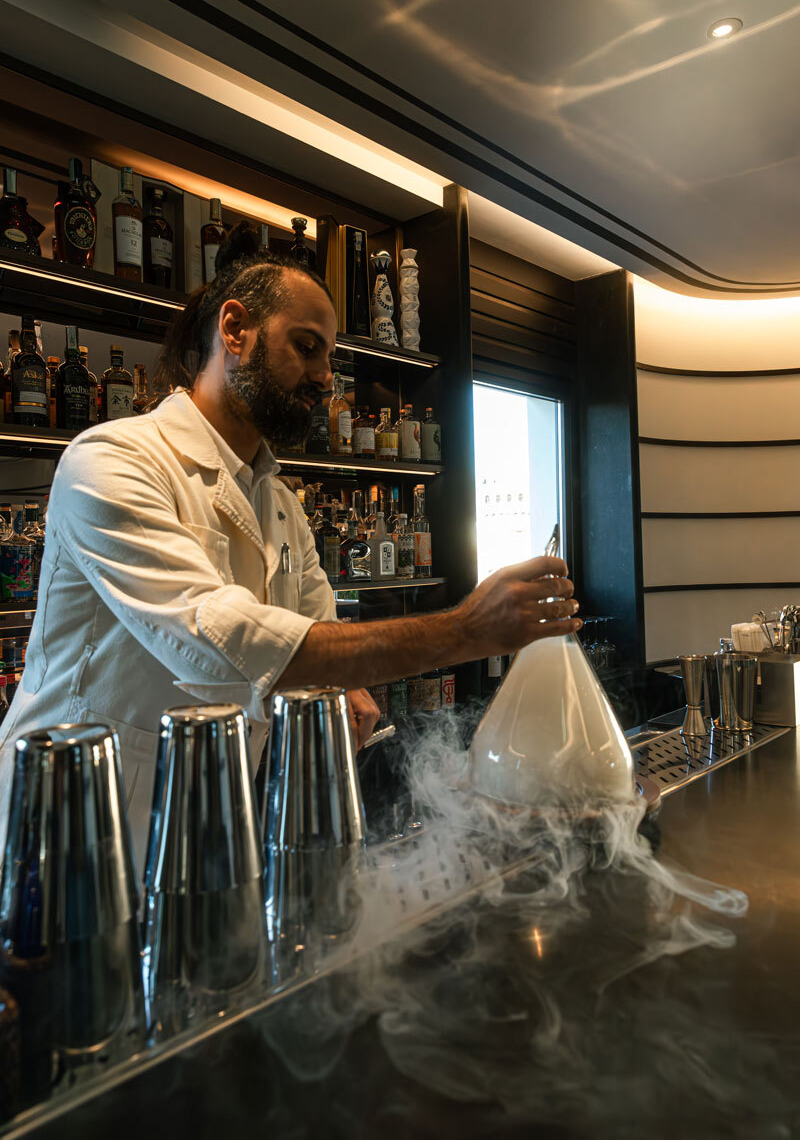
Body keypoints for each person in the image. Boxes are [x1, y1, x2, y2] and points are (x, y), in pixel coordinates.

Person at [0, 224, 580, 870]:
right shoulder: (111, 462)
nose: (324, 378)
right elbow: (221, 641)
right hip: (68, 841)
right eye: (307, 349)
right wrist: (467, 629)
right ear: (235, 330)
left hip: (205, 836)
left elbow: (319, 640)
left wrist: (349, 691)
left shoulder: (278, 503)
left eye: (329, 357)